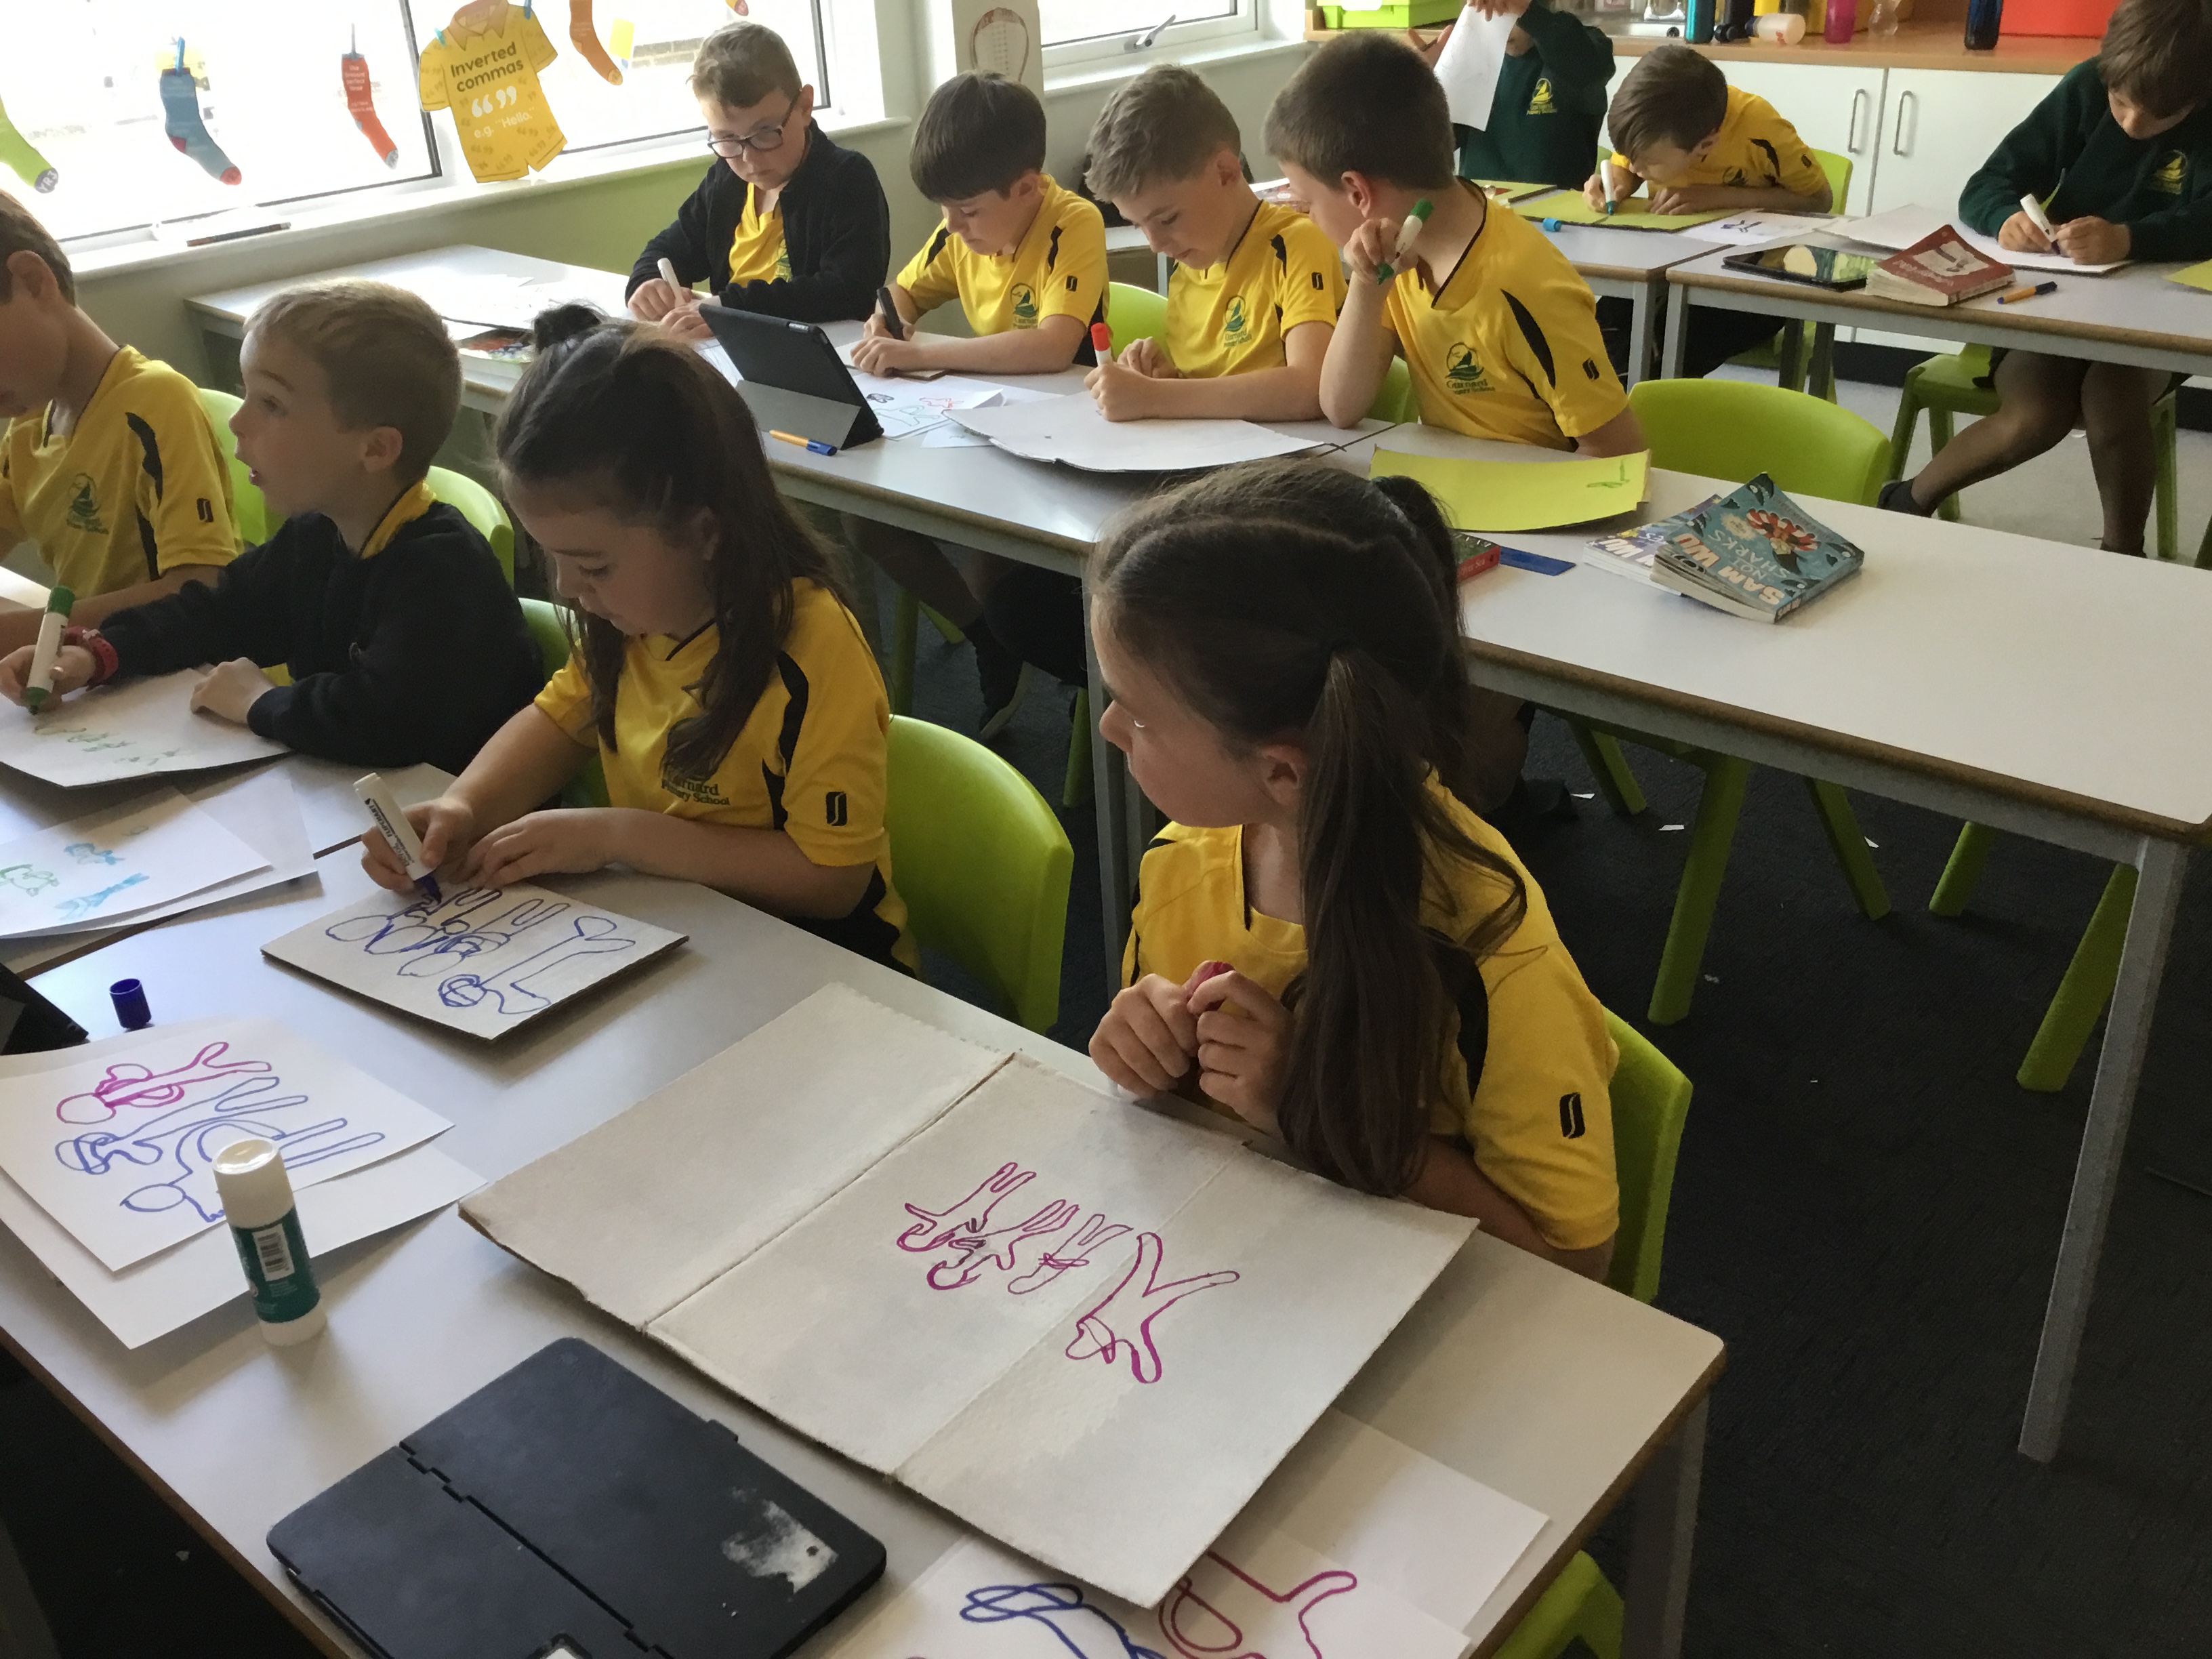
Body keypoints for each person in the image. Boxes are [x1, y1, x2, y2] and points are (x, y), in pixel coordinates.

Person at [1087, 459, 1620, 1277]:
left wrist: (1314, 1112)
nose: (1108, 727)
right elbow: (1182, 1114)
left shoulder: (1492, 955)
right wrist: (1145, 1049)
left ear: (1282, 772)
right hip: (1230, 1271)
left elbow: (1579, 1268)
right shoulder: (1180, 864)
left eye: (1140, 716)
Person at [363, 306, 915, 973]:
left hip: (820, 963)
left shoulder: (809, 646)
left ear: (704, 532)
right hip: (680, 930)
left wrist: (620, 836)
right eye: (552, 558)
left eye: (593, 566)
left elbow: (833, 882)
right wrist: (465, 806)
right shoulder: (631, 618)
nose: (567, 588)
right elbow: (559, 722)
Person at [1265, 30, 1641, 812]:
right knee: (1319, 660)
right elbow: (1341, 403)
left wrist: (1511, 521)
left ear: (1357, 192)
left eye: (1305, 200)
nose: (1303, 215)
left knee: (1431, 750)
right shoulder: (1392, 254)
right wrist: (1366, 287)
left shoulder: (1521, 281)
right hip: (1454, 526)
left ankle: (1476, 812)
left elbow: (1618, 461)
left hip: (1540, 551)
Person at [0, 281, 539, 773]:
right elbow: (213, 613)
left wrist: (260, 702)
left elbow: (382, 722)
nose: (238, 421)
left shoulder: (442, 570)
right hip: (352, 800)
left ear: (375, 449)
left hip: (452, 827)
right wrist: (95, 654)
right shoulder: (316, 535)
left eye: (272, 404)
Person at [980, 63, 1348, 689]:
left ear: (1226, 172)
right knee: (1016, 586)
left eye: (1167, 218)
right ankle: (1133, 698)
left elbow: (1309, 385)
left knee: (1098, 602)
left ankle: (1150, 700)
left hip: (1271, 501)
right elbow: (1214, 379)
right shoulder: (1190, 261)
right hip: (1195, 486)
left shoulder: (1294, 244)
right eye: (1140, 223)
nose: (1154, 243)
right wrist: (1165, 374)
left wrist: (1160, 395)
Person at [1879, 0, 2212, 555]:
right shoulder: (2086, 86)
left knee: (2112, 397)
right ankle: (1908, 499)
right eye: (2120, 102)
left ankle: (2122, 553)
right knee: (2035, 414)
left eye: (2157, 116)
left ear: (2197, 99)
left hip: (2158, 314)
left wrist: (2131, 238)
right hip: (2056, 301)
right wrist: (2004, 218)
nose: (2132, 124)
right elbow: (1988, 182)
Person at [840, 73, 1110, 739]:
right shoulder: (957, 231)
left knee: (993, 565)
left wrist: (925, 354)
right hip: (987, 419)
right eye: (943, 210)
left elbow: (1053, 346)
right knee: (867, 523)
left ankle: (1045, 656)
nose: (952, 227)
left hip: (1064, 436)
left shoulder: (1073, 222)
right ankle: (988, 640)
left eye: (967, 211)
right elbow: (900, 294)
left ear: (1028, 188)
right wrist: (888, 321)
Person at [0, 189, 239, 656]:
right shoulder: (30, 423)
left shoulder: (154, 403)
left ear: (32, 281)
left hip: (178, 668)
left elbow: (199, 586)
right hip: (95, 667)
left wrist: (23, 632)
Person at [626, 20, 890, 335]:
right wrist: (647, 282)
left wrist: (729, 310)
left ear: (805, 107)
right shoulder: (725, 180)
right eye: (726, 139)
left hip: (820, 350)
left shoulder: (847, 178)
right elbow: (670, 248)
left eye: (766, 132)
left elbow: (847, 291)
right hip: (733, 345)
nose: (749, 160)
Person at [1588, 43, 1829, 377]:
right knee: (1597, 333)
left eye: (1650, 163)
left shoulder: (1761, 128)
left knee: (1668, 348)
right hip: (1667, 270)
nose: (1638, 167)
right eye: (1631, 157)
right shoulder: (1650, 128)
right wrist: (1620, 181)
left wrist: (1717, 196)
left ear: (1706, 145)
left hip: (1754, 282)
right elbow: (1629, 166)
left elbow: (1819, 200)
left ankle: (1651, 406)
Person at [1410, 0, 1614, 192]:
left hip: (1555, 211)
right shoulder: (1470, 59)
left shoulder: (1579, 45)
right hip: (1485, 207)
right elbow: (1426, 149)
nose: (1497, 16)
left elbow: (1588, 70)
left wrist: (1529, 13)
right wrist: (1421, 85)